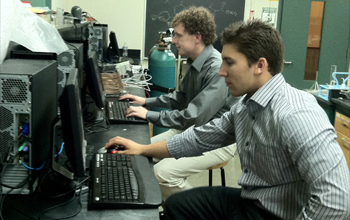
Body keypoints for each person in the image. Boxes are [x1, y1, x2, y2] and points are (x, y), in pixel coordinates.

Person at [106, 20, 350, 220]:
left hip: (280, 214)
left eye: (229, 63)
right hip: (252, 201)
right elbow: (200, 138)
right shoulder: (245, 105)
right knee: (177, 206)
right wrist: (142, 149)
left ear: (260, 65)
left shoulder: (296, 114)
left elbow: (336, 202)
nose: (221, 72)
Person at [119, 6, 237, 201]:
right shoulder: (194, 62)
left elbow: (193, 115)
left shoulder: (215, 67)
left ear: (197, 37)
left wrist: (149, 115)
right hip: (189, 129)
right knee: (135, 152)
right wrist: (146, 102)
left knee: (162, 174)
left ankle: (194, 212)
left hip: (216, 140)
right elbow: (179, 97)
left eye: (179, 36)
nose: (173, 41)